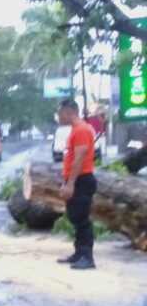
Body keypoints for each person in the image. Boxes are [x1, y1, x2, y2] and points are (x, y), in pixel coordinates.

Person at [56, 99, 97, 270]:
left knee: (82, 220)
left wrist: (71, 183)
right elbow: (71, 158)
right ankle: (78, 253)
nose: (58, 117)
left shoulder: (81, 130)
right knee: (75, 217)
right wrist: (65, 181)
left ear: (69, 112)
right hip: (75, 179)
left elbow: (79, 159)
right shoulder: (75, 130)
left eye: (60, 113)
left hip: (82, 180)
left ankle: (87, 257)